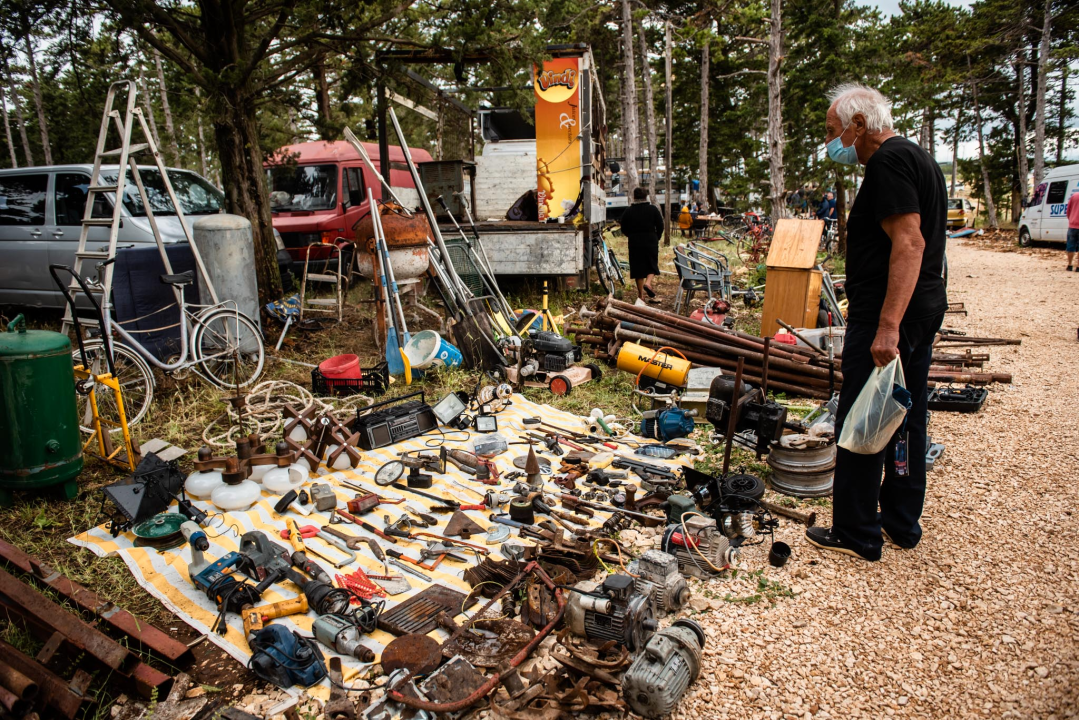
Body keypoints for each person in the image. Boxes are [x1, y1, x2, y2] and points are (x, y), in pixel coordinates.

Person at [806, 83, 948, 562]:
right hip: (921, 308)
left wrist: (887, 325)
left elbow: (910, 243)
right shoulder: (919, 157)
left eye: (833, 131)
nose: (832, 142)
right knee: (905, 412)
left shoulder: (887, 162)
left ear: (858, 125)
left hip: (890, 315)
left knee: (864, 413)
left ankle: (857, 530)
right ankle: (902, 522)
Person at [620, 187, 664, 303]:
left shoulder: (628, 211)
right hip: (651, 240)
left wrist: (630, 235)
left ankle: (640, 295)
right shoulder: (653, 209)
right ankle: (648, 283)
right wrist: (656, 237)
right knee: (652, 264)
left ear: (634, 197)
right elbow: (660, 225)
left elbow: (623, 227)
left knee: (638, 268)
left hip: (635, 242)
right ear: (646, 197)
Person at [1066, 189, 1079, 271]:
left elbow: (1068, 211)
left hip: (1073, 225)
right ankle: (1078, 267)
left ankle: (1070, 265)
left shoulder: (1074, 196)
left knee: (1070, 246)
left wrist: (1071, 220)